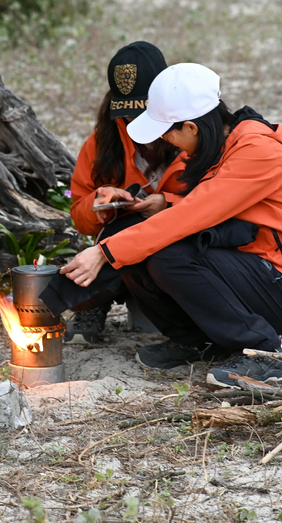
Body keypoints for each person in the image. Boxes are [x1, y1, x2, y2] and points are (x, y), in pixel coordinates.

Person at [59, 63, 282, 386]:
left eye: (168, 132)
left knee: (167, 252)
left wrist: (103, 252)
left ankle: (264, 353)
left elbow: (189, 218)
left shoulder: (257, 151)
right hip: (247, 266)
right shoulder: (222, 146)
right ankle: (196, 341)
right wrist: (154, 210)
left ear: (191, 127)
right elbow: (203, 212)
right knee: (143, 245)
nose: (167, 141)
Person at [64, 41, 187, 343]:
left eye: (143, 110)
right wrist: (100, 204)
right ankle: (94, 304)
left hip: (180, 246)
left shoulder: (192, 132)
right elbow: (80, 217)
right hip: (120, 252)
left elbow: (216, 203)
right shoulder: (101, 142)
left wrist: (166, 203)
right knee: (117, 231)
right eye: (126, 111)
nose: (133, 121)